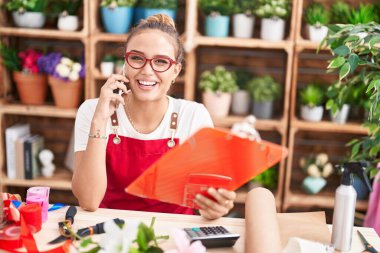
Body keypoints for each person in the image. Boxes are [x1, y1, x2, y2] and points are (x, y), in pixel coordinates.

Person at [72, 14, 236, 220]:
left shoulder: (193, 116)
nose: (147, 70)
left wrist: (215, 206)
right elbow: (88, 200)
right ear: (125, 63)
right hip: (108, 230)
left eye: (161, 61)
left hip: (173, 235)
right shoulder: (92, 110)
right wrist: (99, 120)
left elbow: (206, 204)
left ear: (175, 71)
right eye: (137, 58)